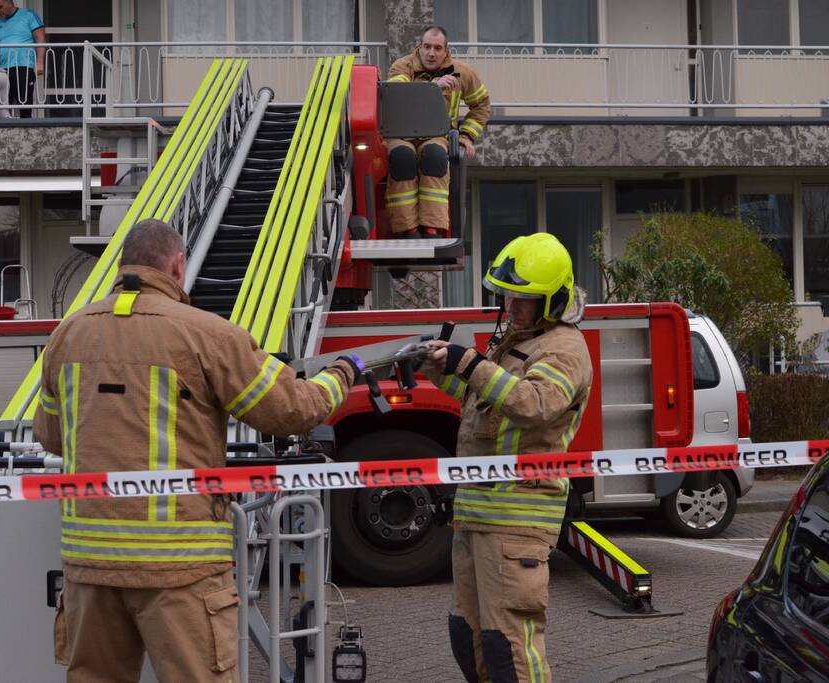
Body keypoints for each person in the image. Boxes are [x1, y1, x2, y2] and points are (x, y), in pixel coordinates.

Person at [32, 219, 361, 683]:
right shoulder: (208, 335)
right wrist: (342, 373)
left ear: (123, 264)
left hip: (90, 567)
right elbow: (291, 410)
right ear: (177, 265)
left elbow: (50, 434)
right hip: (180, 568)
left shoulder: (67, 335)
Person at [424, 232, 592, 683]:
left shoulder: (563, 348)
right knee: (469, 636)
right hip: (478, 514)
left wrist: (471, 364)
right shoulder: (521, 338)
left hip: (516, 521)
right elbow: (488, 404)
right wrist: (442, 372)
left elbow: (534, 404)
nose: (512, 306)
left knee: (509, 647)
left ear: (553, 300)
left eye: (524, 299)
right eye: (508, 297)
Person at [385, 26, 490, 238]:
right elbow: (397, 97)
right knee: (402, 158)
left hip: (436, 135)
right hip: (401, 134)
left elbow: (482, 104)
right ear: (419, 47)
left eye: (437, 48)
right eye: (427, 47)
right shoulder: (401, 67)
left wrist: (466, 136)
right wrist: (434, 86)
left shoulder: (462, 73)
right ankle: (407, 228)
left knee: (435, 156)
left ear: (446, 50)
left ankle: (433, 227)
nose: (431, 53)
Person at [0, 0, 45, 118]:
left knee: (24, 104)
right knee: (3, 106)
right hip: (3, 70)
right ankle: (5, 134)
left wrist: (40, 62)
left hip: (24, 66)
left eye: (0, 7)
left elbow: (40, 38)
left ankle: (27, 133)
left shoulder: (28, 14)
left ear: (9, 2)